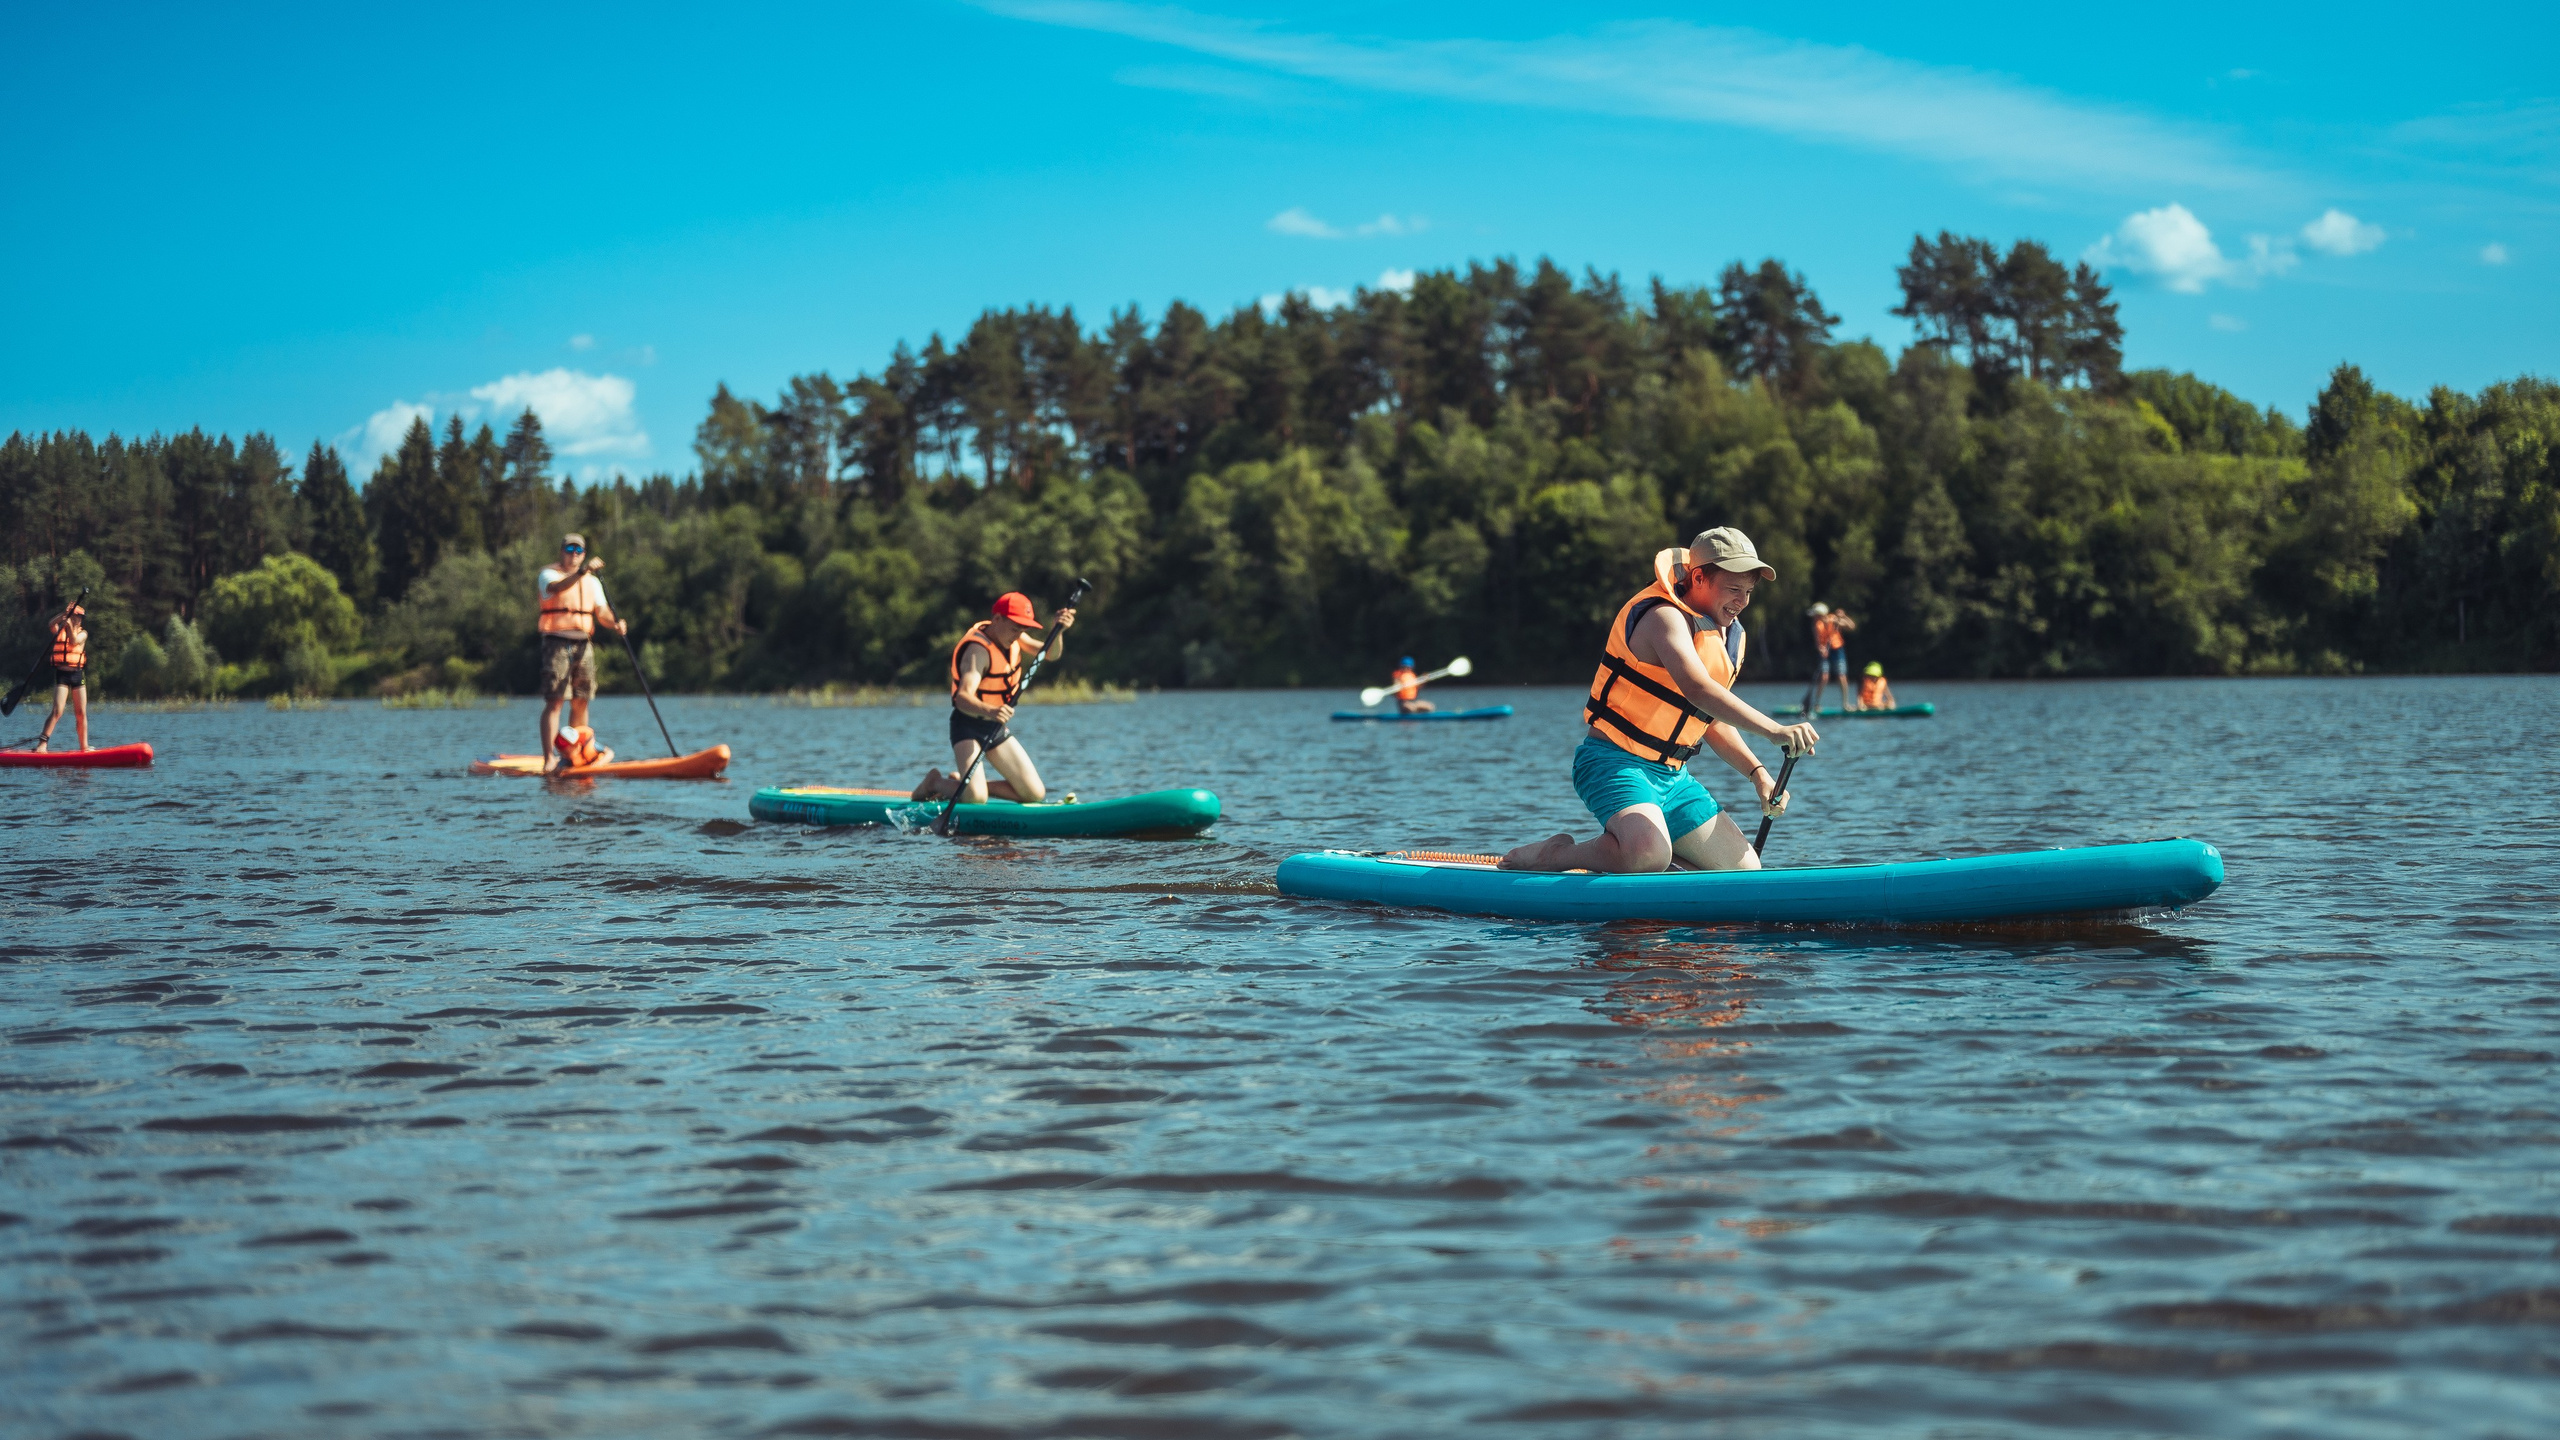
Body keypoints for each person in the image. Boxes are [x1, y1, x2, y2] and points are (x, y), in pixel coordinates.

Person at [1503, 527, 1819, 874]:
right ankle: (1553, 855)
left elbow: (1708, 718)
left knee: (1744, 871)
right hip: (1613, 763)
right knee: (1648, 852)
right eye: (1733, 589)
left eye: (1748, 591)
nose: (1741, 601)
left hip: (1674, 778)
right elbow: (1698, 689)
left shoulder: (1729, 636)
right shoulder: (1662, 617)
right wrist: (1775, 730)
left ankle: (1650, 864)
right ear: (1698, 577)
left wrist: (1758, 774)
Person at [912, 590, 1079, 805]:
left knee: (1034, 794)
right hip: (968, 727)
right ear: (997, 619)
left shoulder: (1015, 636)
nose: (1018, 634)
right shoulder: (977, 651)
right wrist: (992, 710)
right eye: (1014, 628)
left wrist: (1059, 632)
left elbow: (1051, 653)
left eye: (1022, 629)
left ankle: (962, 785)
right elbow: (962, 697)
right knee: (976, 798)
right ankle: (934, 783)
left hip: (994, 727)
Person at [536, 534, 625, 774]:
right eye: (569, 549)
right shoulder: (548, 575)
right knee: (555, 701)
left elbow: (602, 612)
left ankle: (574, 755)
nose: (573, 554)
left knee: (581, 699)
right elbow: (556, 589)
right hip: (556, 642)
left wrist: (615, 623)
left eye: (578, 550)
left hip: (583, 643)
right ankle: (549, 759)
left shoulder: (593, 583)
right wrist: (582, 572)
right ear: (561, 551)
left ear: (583, 553)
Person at [30, 598, 91, 753]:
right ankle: (42, 745)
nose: (77, 619)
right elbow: (51, 623)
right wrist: (63, 614)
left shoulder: (83, 633)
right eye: (74, 616)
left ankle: (84, 747)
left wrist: (69, 624)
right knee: (58, 710)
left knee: (81, 713)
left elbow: (73, 641)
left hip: (77, 674)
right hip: (62, 675)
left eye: (79, 617)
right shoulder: (60, 631)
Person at [1807, 602, 1857, 713]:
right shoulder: (1816, 625)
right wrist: (1821, 649)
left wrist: (1843, 617)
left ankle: (1845, 704)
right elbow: (1817, 642)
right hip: (1825, 652)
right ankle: (1816, 704)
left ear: (1820, 614)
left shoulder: (1834, 619)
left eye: (1816, 615)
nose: (1814, 617)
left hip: (1837, 650)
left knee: (1842, 677)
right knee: (1824, 677)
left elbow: (1851, 626)